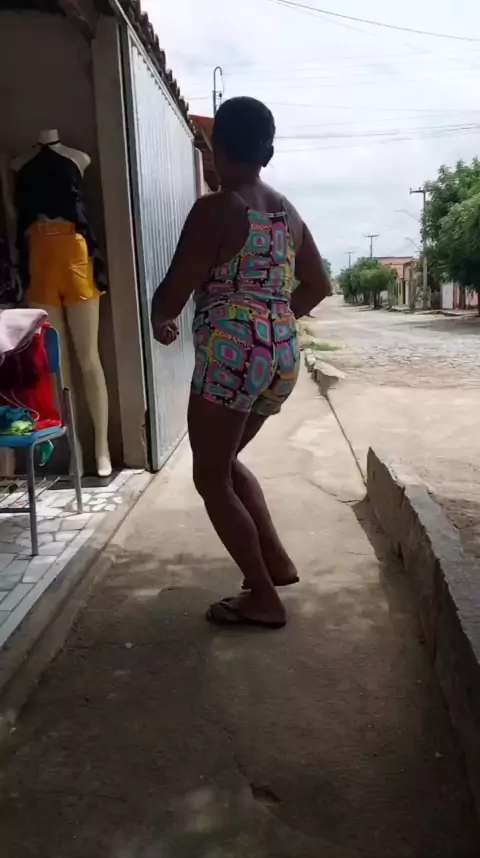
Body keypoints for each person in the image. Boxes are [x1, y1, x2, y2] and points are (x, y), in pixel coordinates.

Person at [151, 96, 331, 629]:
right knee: (225, 463)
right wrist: (270, 318)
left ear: (216, 149)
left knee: (210, 476)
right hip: (281, 354)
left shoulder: (217, 208)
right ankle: (275, 564)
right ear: (266, 153)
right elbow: (318, 286)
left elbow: (174, 290)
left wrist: (163, 318)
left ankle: (264, 599)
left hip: (233, 356)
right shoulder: (287, 212)